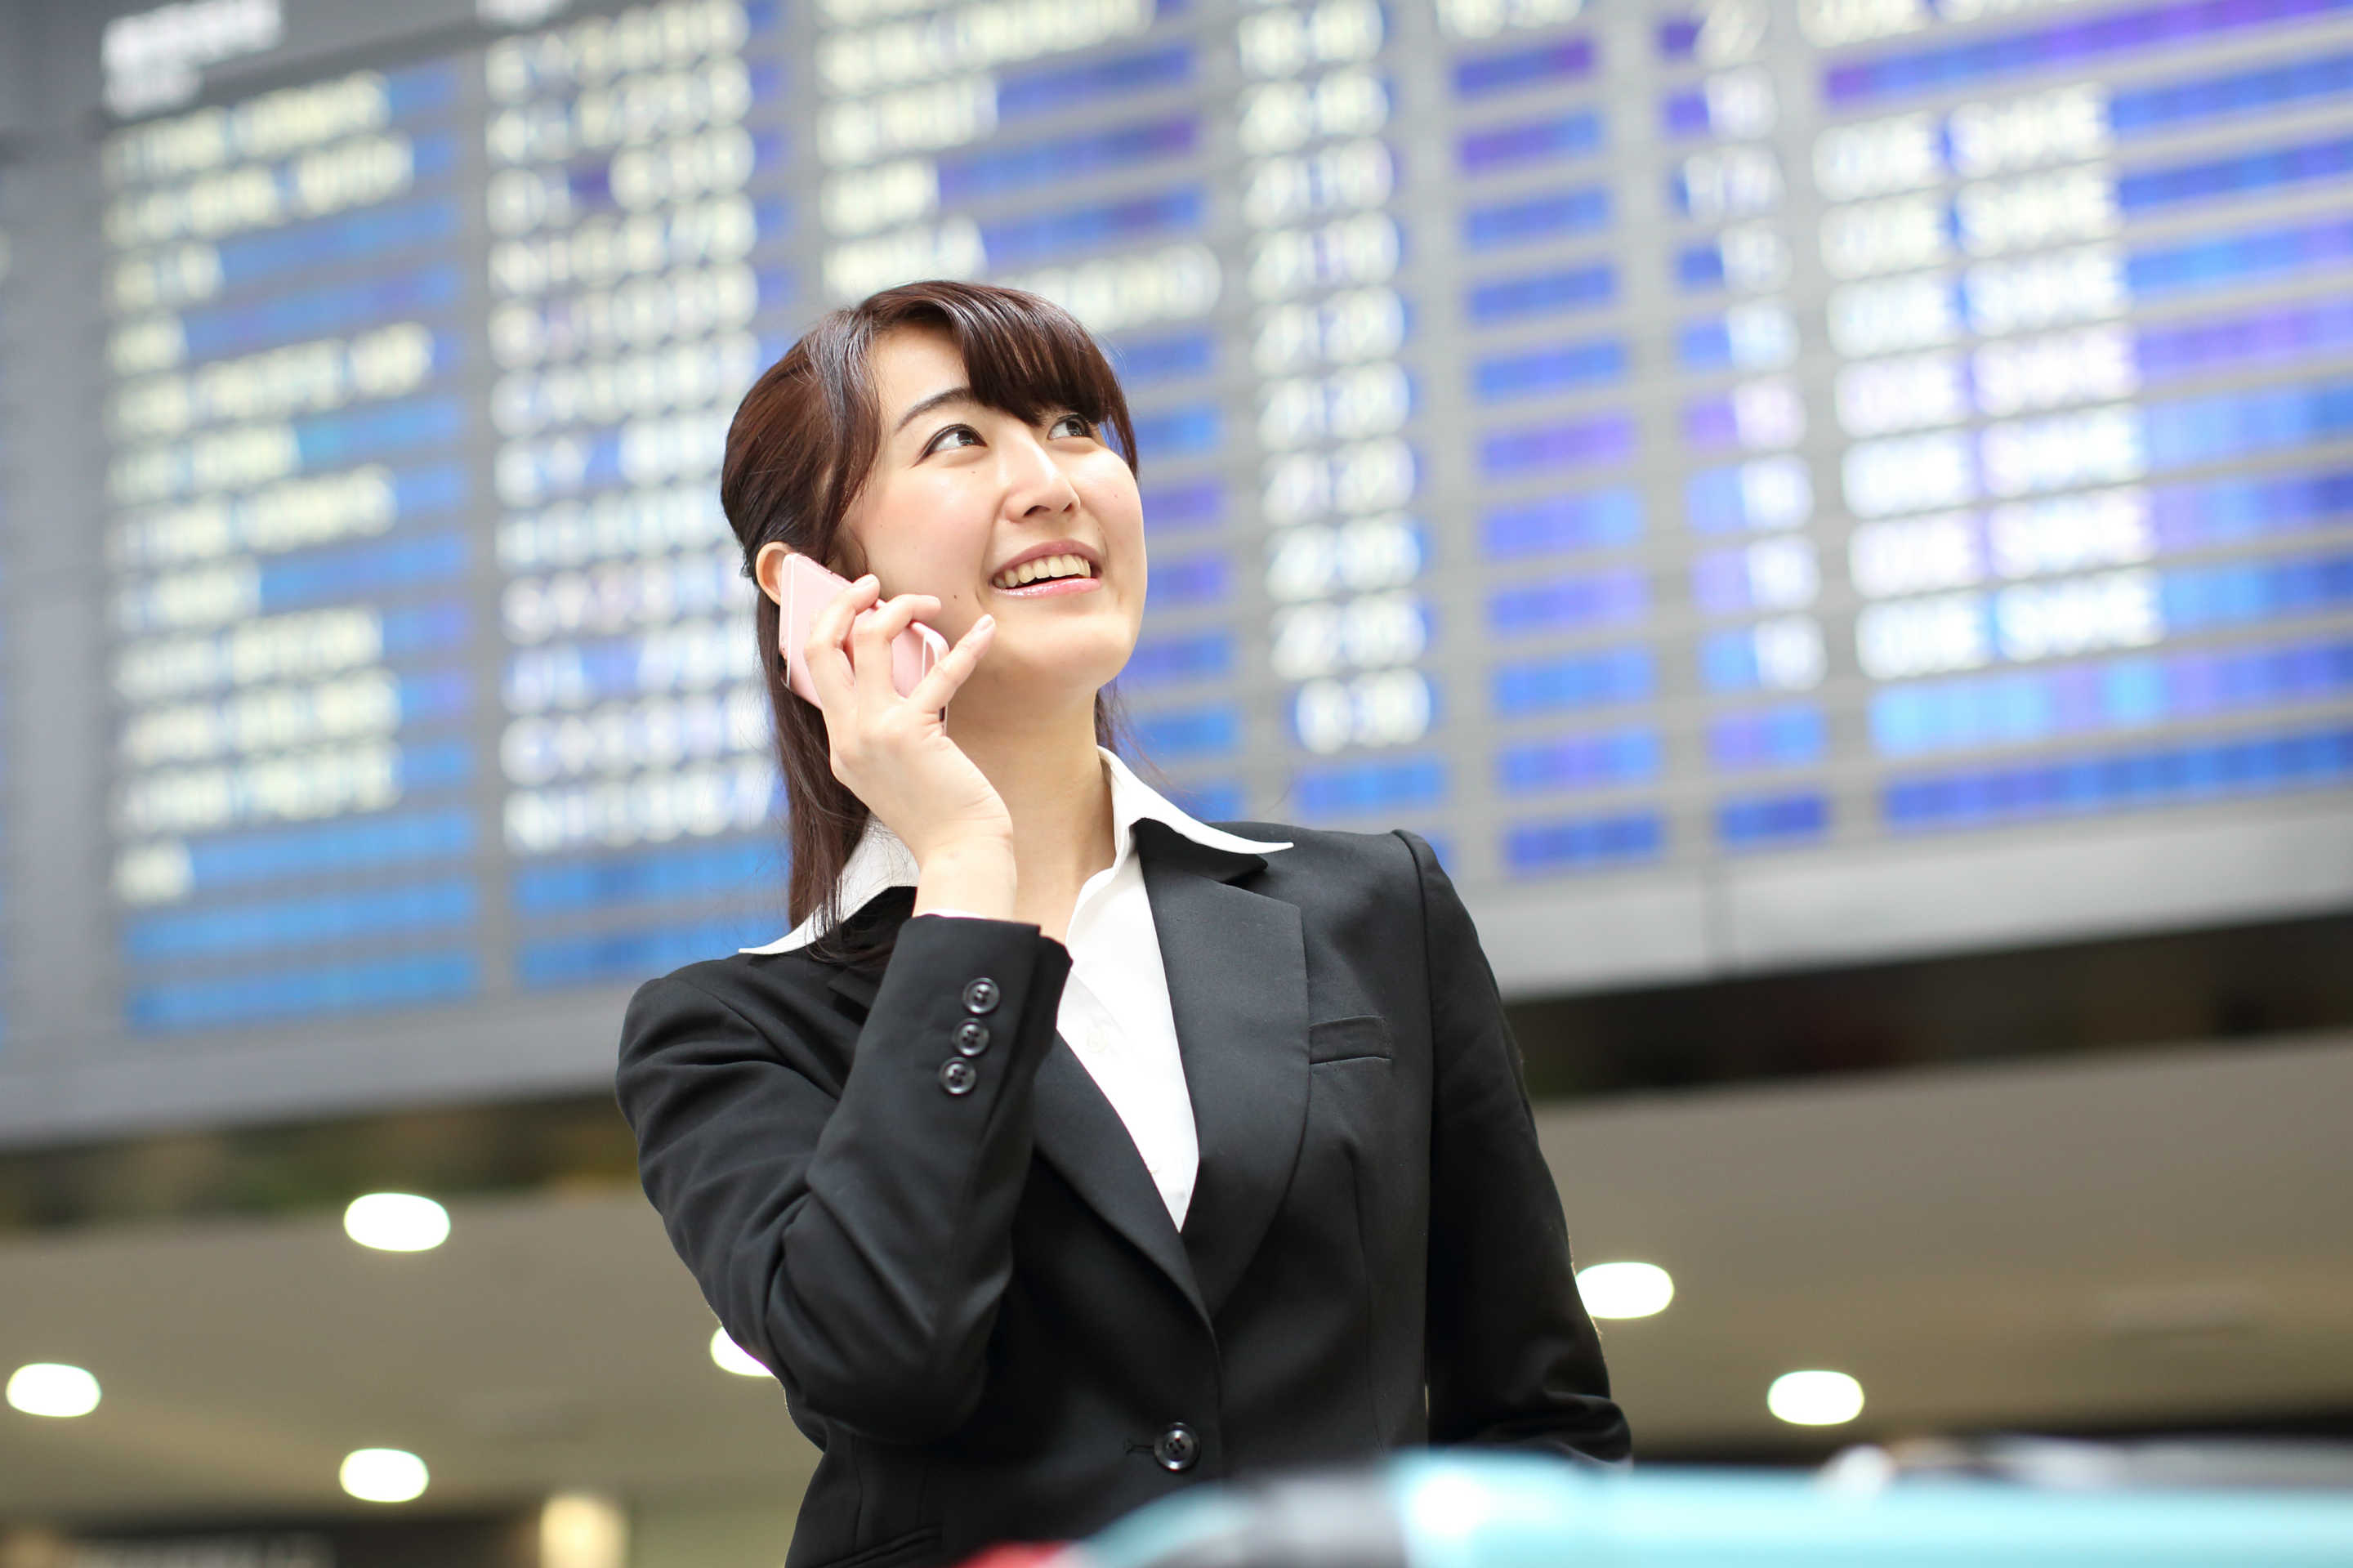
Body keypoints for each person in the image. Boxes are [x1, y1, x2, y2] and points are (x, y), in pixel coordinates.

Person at [614, 279, 1629, 1568]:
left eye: (1077, 425)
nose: (1052, 480)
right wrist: (966, 860)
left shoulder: (1371, 910)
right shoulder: (730, 1032)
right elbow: (884, 1363)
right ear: (809, 579)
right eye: (960, 439)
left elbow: (1538, 1421)